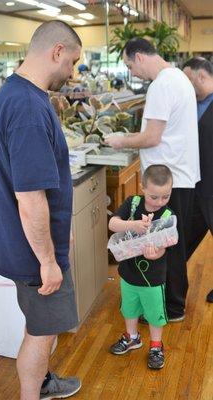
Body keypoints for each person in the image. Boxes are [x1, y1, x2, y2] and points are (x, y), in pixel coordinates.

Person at [0, 20, 82, 400]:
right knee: (42, 332)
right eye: (71, 62)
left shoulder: (17, 93)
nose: (71, 73)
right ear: (56, 51)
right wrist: (48, 260)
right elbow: (30, 197)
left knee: (38, 325)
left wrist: (59, 231)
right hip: (33, 254)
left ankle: (42, 382)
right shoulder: (27, 107)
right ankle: (31, 393)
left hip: (30, 245)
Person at [105, 38, 200, 322]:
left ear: (140, 57)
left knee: (166, 245)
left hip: (169, 179)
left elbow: (152, 137)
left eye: (129, 64)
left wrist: (121, 141)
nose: (131, 72)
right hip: (179, 175)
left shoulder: (161, 84)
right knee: (173, 242)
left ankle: (171, 308)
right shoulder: (178, 77)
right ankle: (173, 305)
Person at [109, 164, 175, 369]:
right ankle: (132, 337)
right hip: (128, 274)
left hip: (153, 279)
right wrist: (133, 225)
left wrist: (156, 254)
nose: (159, 202)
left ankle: (156, 345)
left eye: (165, 196)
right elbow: (113, 224)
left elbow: (165, 245)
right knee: (129, 309)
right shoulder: (132, 203)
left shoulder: (167, 216)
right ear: (143, 187)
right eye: (154, 197)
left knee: (155, 314)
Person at [183, 58, 213, 303]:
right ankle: (169, 285)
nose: (187, 86)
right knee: (186, 235)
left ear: (202, 76)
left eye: (189, 80)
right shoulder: (191, 103)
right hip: (195, 184)